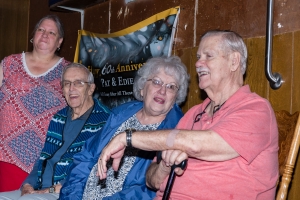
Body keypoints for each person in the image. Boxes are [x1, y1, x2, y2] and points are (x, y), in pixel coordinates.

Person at [97, 30, 279, 200]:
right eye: (199, 57)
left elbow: (198, 145)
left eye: (209, 56)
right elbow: (151, 181)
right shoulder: (194, 114)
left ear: (234, 61)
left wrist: (128, 137)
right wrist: (165, 166)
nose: (198, 63)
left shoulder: (256, 109)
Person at [59, 56, 189, 200]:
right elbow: (85, 157)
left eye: (171, 87)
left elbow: (149, 191)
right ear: (142, 89)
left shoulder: (176, 131)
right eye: (156, 82)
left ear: (176, 97)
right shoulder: (121, 113)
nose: (162, 91)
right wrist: (73, 196)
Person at [0, 63, 111, 200]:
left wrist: (49, 190)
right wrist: (27, 184)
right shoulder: (59, 117)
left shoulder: (104, 121)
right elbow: (43, 159)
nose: (71, 89)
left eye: (78, 83)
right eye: (67, 83)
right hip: (40, 190)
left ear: (91, 88)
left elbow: (91, 170)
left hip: (69, 193)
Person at [0, 15, 71, 191]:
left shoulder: (69, 71)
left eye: (51, 32)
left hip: (43, 160)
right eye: (41, 30)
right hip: (4, 154)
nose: (45, 35)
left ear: (59, 41)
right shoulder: (10, 63)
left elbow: (79, 113)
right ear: (33, 35)